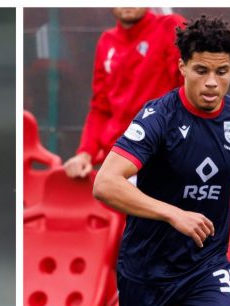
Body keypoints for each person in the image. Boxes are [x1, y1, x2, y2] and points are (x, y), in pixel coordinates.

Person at [93, 15, 230, 306]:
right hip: (146, 267)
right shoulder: (158, 118)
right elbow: (105, 183)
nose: (213, 82)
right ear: (182, 66)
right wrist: (172, 213)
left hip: (205, 264)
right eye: (201, 70)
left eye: (223, 71)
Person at [64, 7, 185, 178]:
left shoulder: (170, 26)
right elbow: (100, 107)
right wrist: (85, 153)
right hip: (117, 162)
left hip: (162, 158)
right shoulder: (106, 41)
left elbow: (189, 89)